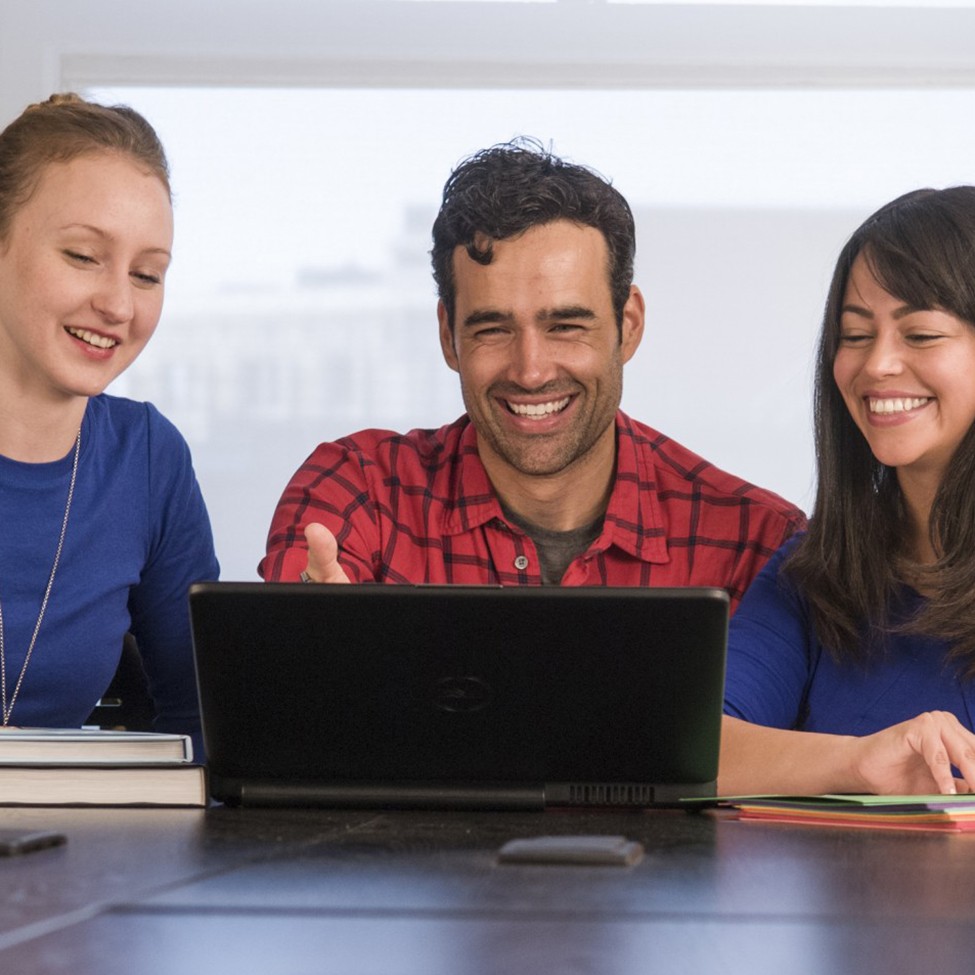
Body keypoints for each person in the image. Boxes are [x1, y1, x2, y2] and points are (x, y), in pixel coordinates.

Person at [260, 140, 803, 603]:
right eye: (492, 329)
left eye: (566, 325)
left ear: (628, 326)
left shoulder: (756, 542)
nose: (531, 371)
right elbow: (279, 705)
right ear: (448, 335)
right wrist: (312, 644)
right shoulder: (358, 491)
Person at [720, 187, 975, 797]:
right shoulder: (814, 575)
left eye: (920, 334)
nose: (878, 365)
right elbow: (697, 744)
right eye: (855, 335)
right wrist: (862, 762)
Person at [0, 93, 218, 746]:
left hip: (57, 845)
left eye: (148, 274)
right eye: (82, 256)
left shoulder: (147, 459)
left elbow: (200, 722)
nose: (118, 304)